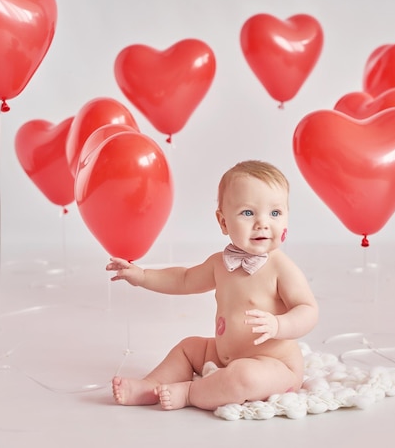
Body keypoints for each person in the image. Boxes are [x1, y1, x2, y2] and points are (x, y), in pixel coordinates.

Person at [106, 160, 319, 411]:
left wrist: (279, 324)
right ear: (223, 222)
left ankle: (189, 392)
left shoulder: (281, 268)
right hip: (222, 354)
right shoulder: (220, 263)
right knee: (188, 348)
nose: (263, 223)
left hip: (274, 365)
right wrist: (142, 276)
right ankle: (151, 385)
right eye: (248, 213)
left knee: (244, 377)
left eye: (275, 213)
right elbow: (183, 279)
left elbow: (308, 309)